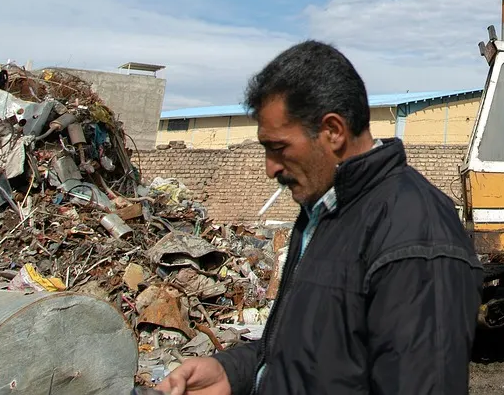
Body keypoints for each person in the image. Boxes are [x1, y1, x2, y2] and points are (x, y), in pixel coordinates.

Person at [158, 40, 483, 395]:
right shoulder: (326, 211)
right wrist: (232, 373)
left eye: (278, 148)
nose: (270, 169)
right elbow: (314, 355)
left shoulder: (417, 236)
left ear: (333, 131)